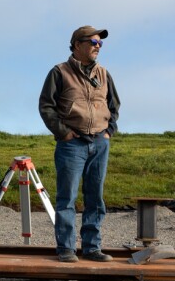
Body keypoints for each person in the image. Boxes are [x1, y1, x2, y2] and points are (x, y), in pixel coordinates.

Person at [38, 26, 121, 263]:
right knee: (67, 197)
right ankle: (66, 249)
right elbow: (46, 106)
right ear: (77, 44)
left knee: (96, 197)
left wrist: (109, 132)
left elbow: (114, 105)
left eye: (100, 43)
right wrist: (63, 133)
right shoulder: (59, 72)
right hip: (71, 144)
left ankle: (92, 248)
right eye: (93, 42)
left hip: (99, 142)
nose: (97, 46)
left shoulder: (104, 74)